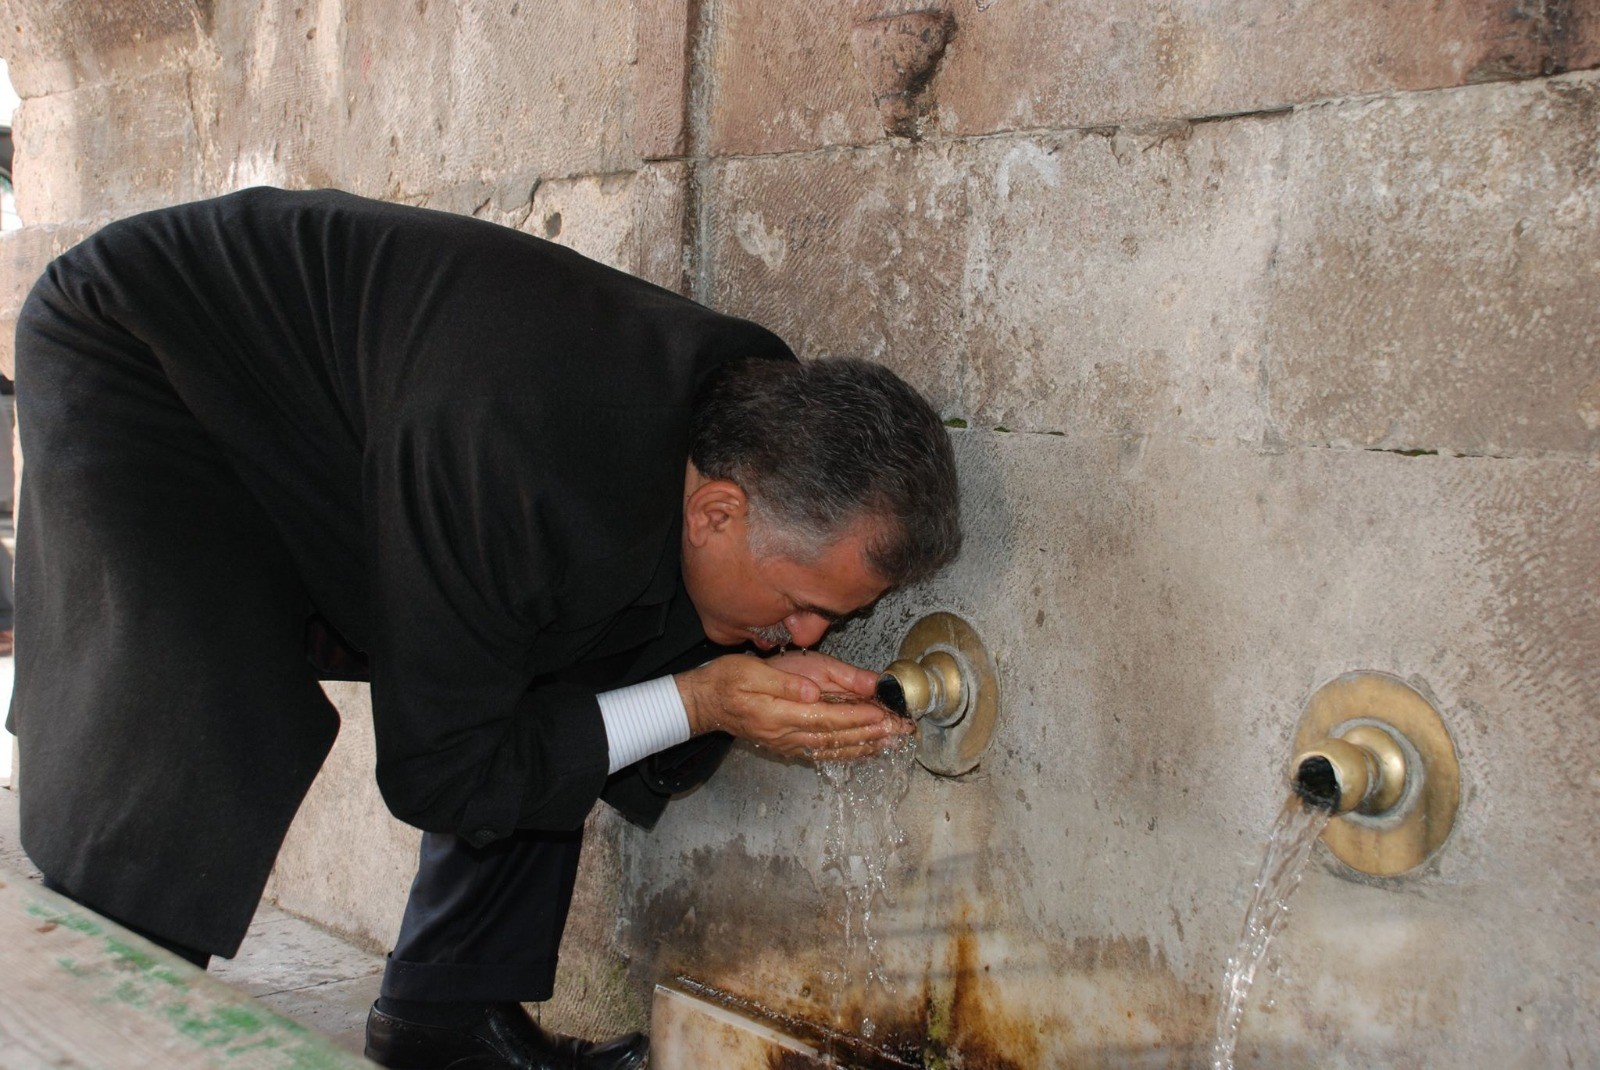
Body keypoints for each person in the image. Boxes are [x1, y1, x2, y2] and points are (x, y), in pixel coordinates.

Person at [8, 188, 961, 1070]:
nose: (803, 637)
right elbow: (442, 771)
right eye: (806, 606)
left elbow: (591, 694)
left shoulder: (749, 418)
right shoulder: (512, 470)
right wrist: (700, 700)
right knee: (195, 717)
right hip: (150, 356)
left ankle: (448, 1021)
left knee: (564, 673)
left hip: (363, 428)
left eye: (835, 621)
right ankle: (89, 1027)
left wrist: (699, 696)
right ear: (716, 511)